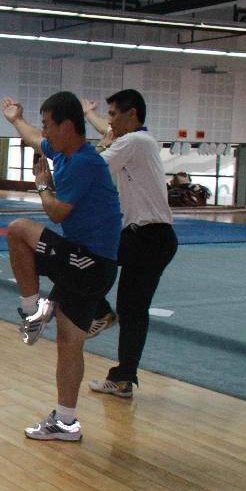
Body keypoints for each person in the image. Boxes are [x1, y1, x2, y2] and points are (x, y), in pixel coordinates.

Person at [0, 92, 121, 441]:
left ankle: (32, 313)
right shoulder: (63, 154)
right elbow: (33, 138)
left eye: (48, 125)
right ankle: (66, 422)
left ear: (67, 126)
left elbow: (55, 213)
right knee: (69, 342)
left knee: (18, 230)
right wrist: (15, 120)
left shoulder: (84, 163)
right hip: (88, 263)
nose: (45, 132)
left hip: (89, 261)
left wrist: (42, 185)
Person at [81, 91, 178, 398]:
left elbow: (92, 167)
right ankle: (123, 379)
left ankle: (101, 313)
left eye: (113, 114)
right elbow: (108, 130)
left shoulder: (134, 141)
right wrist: (89, 114)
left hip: (147, 238)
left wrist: (91, 145)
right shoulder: (140, 139)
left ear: (131, 114)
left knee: (83, 254)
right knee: (132, 310)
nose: (109, 120)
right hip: (148, 237)